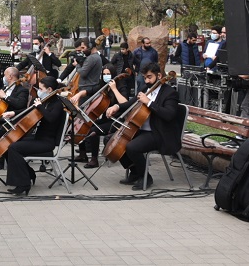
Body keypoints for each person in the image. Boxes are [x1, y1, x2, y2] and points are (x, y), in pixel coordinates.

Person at [105, 62, 183, 190]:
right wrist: (116, 106)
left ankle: (146, 176)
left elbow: (169, 114)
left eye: (149, 77)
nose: (146, 80)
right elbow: (131, 103)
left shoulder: (169, 93)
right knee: (112, 139)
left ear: (159, 75)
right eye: (145, 77)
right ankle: (135, 172)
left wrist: (149, 103)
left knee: (132, 147)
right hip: (142, 130)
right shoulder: (145, 89)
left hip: (159, 133)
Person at [2, 76, 67, 196]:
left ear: (49, 89)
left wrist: (40, 106)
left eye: (41, 88)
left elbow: (51, 118)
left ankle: (23, 184)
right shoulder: (46, 100)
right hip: (39, 138)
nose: (38, 91)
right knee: (8, 145)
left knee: (14, 148)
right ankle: (29, 174)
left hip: (47, 142)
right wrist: (13, 113)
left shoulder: (57, 103)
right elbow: (29, 111)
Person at [74, 64, 127, 168]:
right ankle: (83, 154)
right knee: (85, 123)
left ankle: (94, 159)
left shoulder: (121, 86)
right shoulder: (103, 86)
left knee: (93, 131)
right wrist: (79, 94)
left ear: (113, 74)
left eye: (108, 74)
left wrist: (115, 89)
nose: (106, 76)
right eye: (104, 74)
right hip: (106, 119)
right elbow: (90, 90)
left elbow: (125, 103)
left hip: (117, 121)